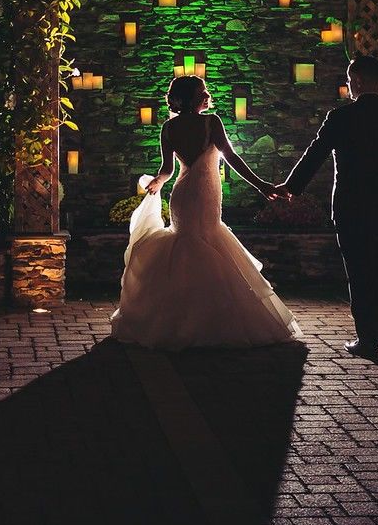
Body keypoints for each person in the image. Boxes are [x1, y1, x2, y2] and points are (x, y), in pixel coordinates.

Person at [110, 76, 301, 350]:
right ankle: (205, 321)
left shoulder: (169, 127)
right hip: (204, 194)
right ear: (193, 98)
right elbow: (232, 157)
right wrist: (261, 185)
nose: (207, 94)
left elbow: (168, 170)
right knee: (206, 240)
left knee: (187, 243)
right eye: (203, 91)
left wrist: (157, 182)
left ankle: (179, 319)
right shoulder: (212, 123)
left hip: (182, 194)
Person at [277, 55, 378, 359]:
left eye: (351, 80)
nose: (349, 86)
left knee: (359, 270)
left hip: (351, 204)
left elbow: (315, 155)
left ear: (360, 81)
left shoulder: (341, 118)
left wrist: (291, 187)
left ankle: (367, 339)